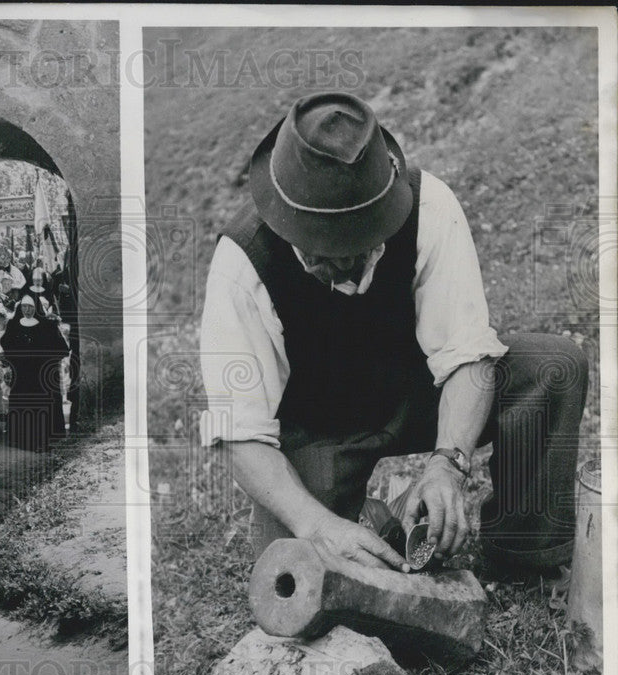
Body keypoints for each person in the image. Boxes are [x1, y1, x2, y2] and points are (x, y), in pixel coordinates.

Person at [199, 92, 589, 573]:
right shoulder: (242, 265)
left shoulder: (430, 206)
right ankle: (372, 517)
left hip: (413, 394)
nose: (342, 262)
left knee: (553, 368)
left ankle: (525, 556)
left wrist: (449, 462)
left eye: (358, 240)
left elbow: (468, 354)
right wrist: (318, 525)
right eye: (322, 247)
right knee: (308, 575)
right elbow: (239, 433)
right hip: (318, 429)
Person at [0, 292, 70, 453]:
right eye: (24, 306)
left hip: (41, 375)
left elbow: (61, 349)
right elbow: (6, 345)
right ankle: (22, 439)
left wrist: (45, 360)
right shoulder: (14, 325)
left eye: (30, 306)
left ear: (36, 307)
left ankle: (42, 440)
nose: (27, 310)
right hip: (22, 373)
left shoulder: (47, 325)